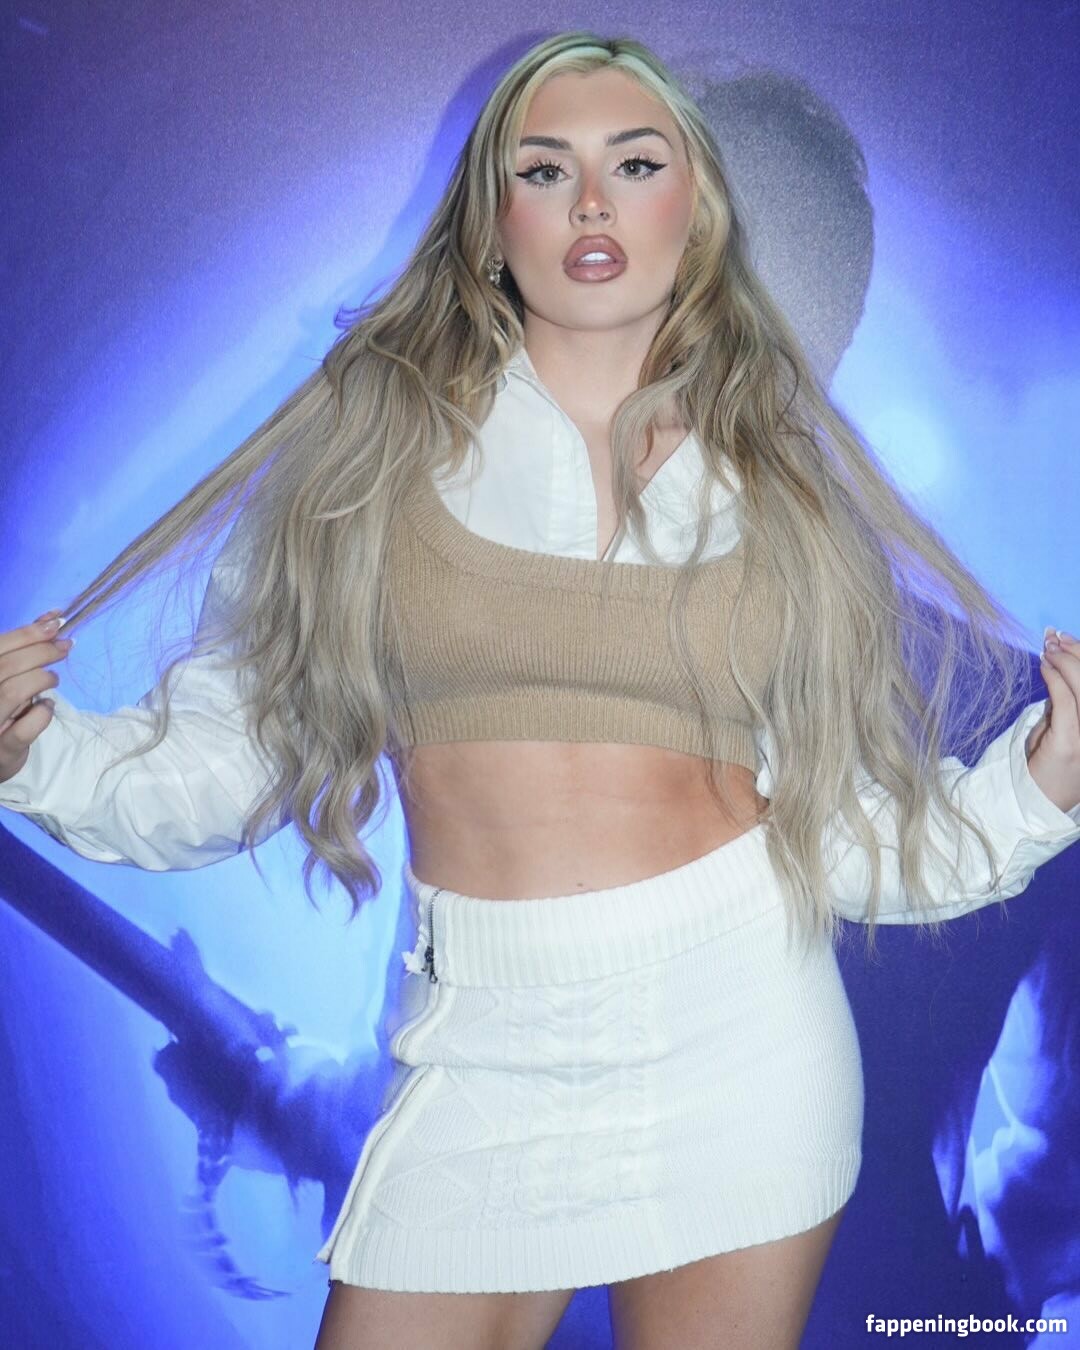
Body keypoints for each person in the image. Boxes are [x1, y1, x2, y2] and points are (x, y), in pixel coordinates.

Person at [1, 29, 1078, 1350]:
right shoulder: (420, 498)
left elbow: (1039, 1154)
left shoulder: (949, 676)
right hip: (634, 1175)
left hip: (799, 1218)